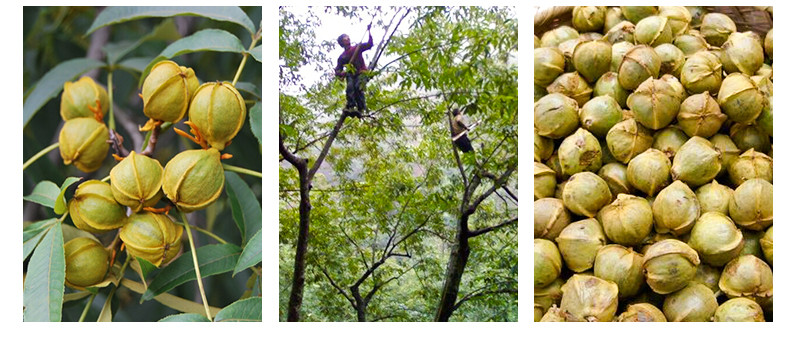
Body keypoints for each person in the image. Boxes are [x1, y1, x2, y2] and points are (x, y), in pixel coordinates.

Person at [335, 24, 373, 112]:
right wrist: (341, 73)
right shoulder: (342, 57)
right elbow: (338, 70)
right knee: (350, 88)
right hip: (351, 75)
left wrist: (369, 32)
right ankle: (351, 106)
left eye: (348, 37)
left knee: (358, 87)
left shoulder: (357, 48)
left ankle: (361, 108)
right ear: (342, 43)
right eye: (345, 38)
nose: (348, 39)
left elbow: (369, 44)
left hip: (362, 72)